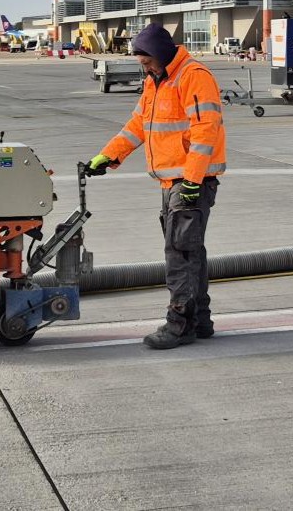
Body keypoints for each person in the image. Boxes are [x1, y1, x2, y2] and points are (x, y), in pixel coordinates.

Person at [87, 22, 226, 349]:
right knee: (191, 251)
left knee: (179, 253)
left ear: (162, 54)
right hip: (172, 179)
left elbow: (205, 133)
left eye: (147, 62)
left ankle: (179, 324)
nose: (145, 68)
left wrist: (192, 181)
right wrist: (108, 155)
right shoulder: (156, 81)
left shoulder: (194, 76)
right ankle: (200, 320)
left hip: (190, 180)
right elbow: (139, 125)